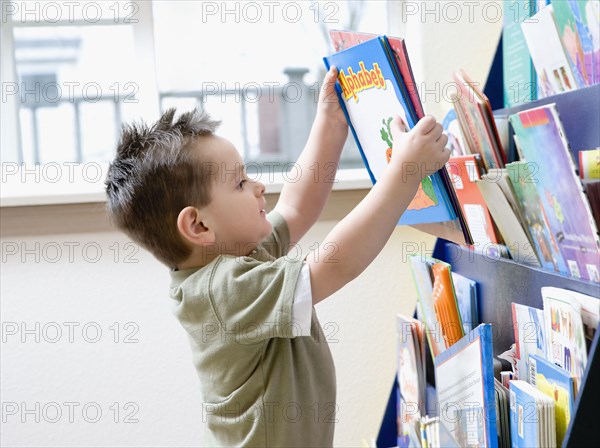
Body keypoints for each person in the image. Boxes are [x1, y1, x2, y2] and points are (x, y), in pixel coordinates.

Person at [105, 66, 450, 447]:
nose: (258, 185)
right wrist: (405, 172)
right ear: (199, 226)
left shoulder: (236, 256)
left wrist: (329, 125)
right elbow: (336, 264)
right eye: (239, 183)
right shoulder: (222, 291)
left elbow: (297, 207)